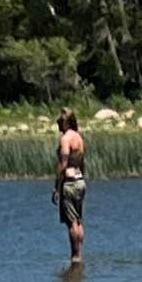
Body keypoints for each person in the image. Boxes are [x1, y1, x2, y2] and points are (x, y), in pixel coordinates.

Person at [53, 107, 87, 264]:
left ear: (66, 122)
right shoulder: (79, 138)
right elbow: (82, 162)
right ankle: (79, 254)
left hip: (70, 183)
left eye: (60, 121)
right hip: (80, 181)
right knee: (78, 220)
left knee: (72, 222)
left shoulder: (66, 139)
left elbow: (63, 163)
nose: (57, 123)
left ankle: (75, 257)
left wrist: (56, 187)